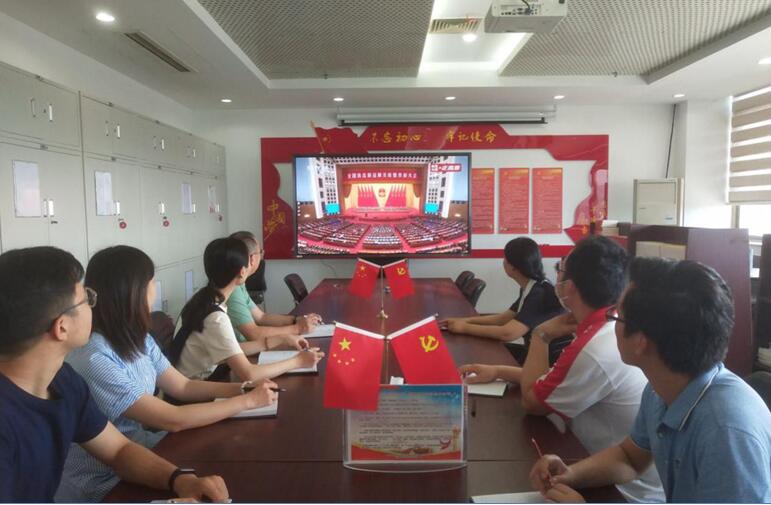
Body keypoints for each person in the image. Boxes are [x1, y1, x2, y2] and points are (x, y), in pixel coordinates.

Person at [529, 257, 771, 503]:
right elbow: (629, 459)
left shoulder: (726, 434)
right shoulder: (660, 389)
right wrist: (570, 475)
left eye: (617, 317)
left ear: (641, 341)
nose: (611, 324)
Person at [0, 247, 229, 502]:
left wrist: (180, 480)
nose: (94, 304)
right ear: (61, 327)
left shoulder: (63, 380)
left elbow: (119, 450)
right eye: (86, 298)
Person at [56, 246, 278, 502]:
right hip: (102, 482)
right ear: (134, 292)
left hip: (141, 453)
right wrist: (246, 401)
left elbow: (182, 386)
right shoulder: (95, 357)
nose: (155, 289)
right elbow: (172, 419)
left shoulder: (137, 338)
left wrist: (242, 388)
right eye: (152, 282)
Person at [461, 236, 663, 502]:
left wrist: (541, 335)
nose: (556, 276)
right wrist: (499, 371)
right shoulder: (604, 329)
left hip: (620, 491)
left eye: (560, 270)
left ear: (570, 287)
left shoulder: (595, 347)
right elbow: (560, 380)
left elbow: (532, 402)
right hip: (594, 466)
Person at [173, 237, 324, 381]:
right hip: (198, 388)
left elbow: (232, 348)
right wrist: (298, 361)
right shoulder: (216, 318)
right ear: (242, 271)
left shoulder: (203, 298)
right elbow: (249, 374)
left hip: (196, 379)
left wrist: (280, 339)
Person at [442, 238, 568, 366]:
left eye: (505, 258)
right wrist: (463, 321)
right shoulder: (532, 286)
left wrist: (463, 327)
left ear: (513, 267)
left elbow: (508, 333)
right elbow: (504, 318)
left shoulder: (539, 293)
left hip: (546, 364)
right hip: (533, 353)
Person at [227, 231, 321, 347]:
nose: (262, 256)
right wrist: (298, 328)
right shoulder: (233, 289)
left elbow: (261, 317)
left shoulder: (239, 284)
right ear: (252, 259)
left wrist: (297, 319)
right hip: (242, 353)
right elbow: (254, 334)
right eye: (260, 252)